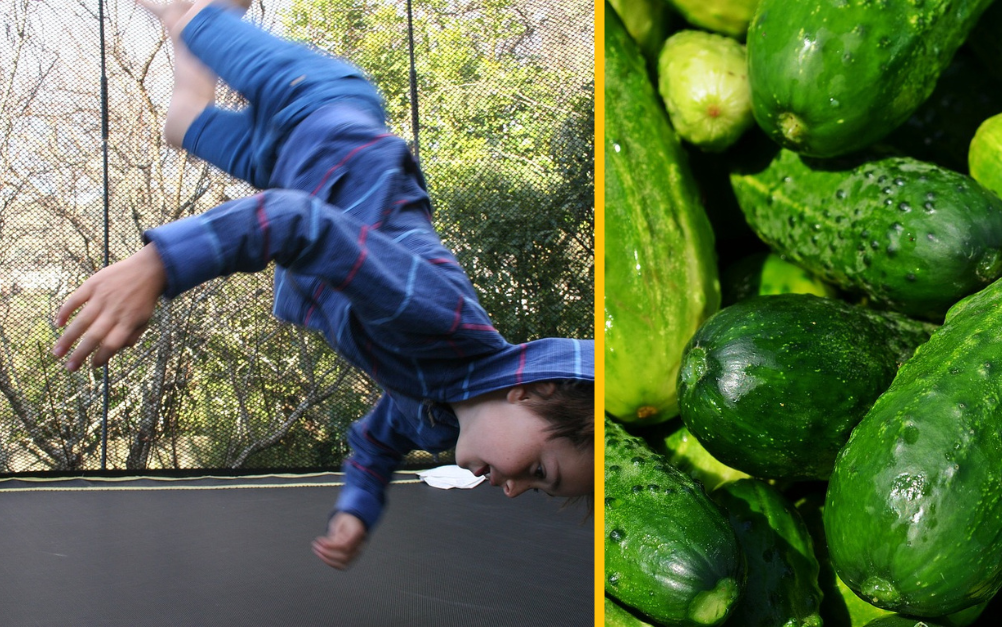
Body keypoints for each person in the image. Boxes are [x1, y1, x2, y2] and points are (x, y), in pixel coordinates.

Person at [49, 0, 594, 570]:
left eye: (535, 489)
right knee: (191, 17)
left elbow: (375, 442)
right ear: (531, 391)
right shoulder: (438, 319)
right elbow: (291, 222)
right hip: (323, 109)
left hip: (288, 160)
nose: (512, 488)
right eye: (538, 472)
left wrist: (358, 508)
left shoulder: (434, 416)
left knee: (182, 122)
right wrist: (157, 266)